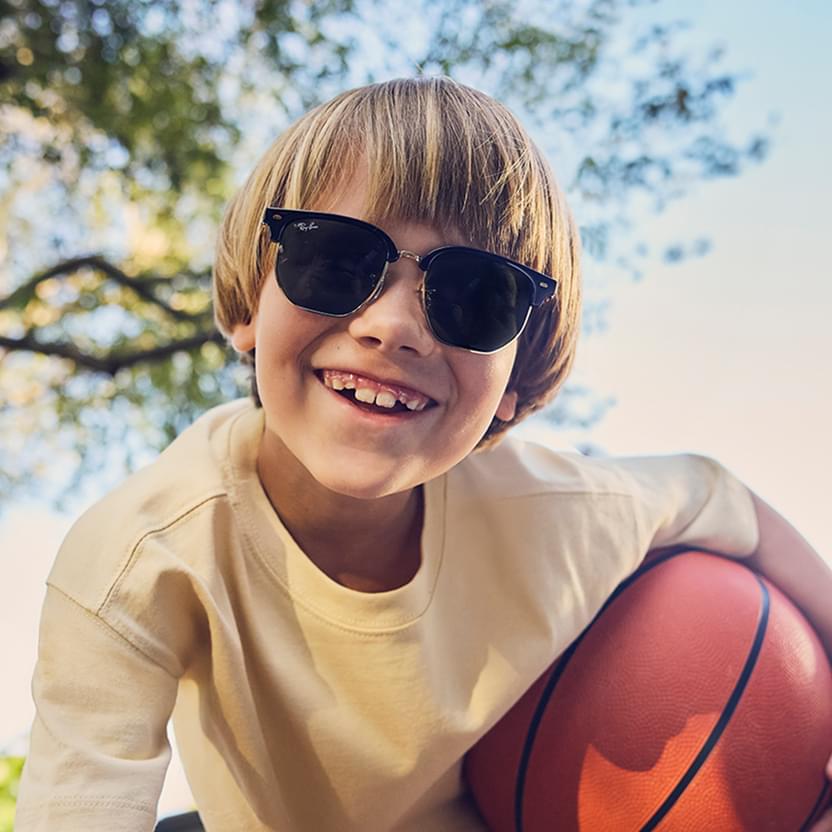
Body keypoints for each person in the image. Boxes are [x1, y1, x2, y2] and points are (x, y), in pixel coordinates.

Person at [15, 77, 832, 831]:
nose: (393, 326)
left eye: (477, 296)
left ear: (516, 382)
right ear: (247, 309)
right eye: (336, 261)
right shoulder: (141, 556)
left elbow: (721, 499)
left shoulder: (551, 514)